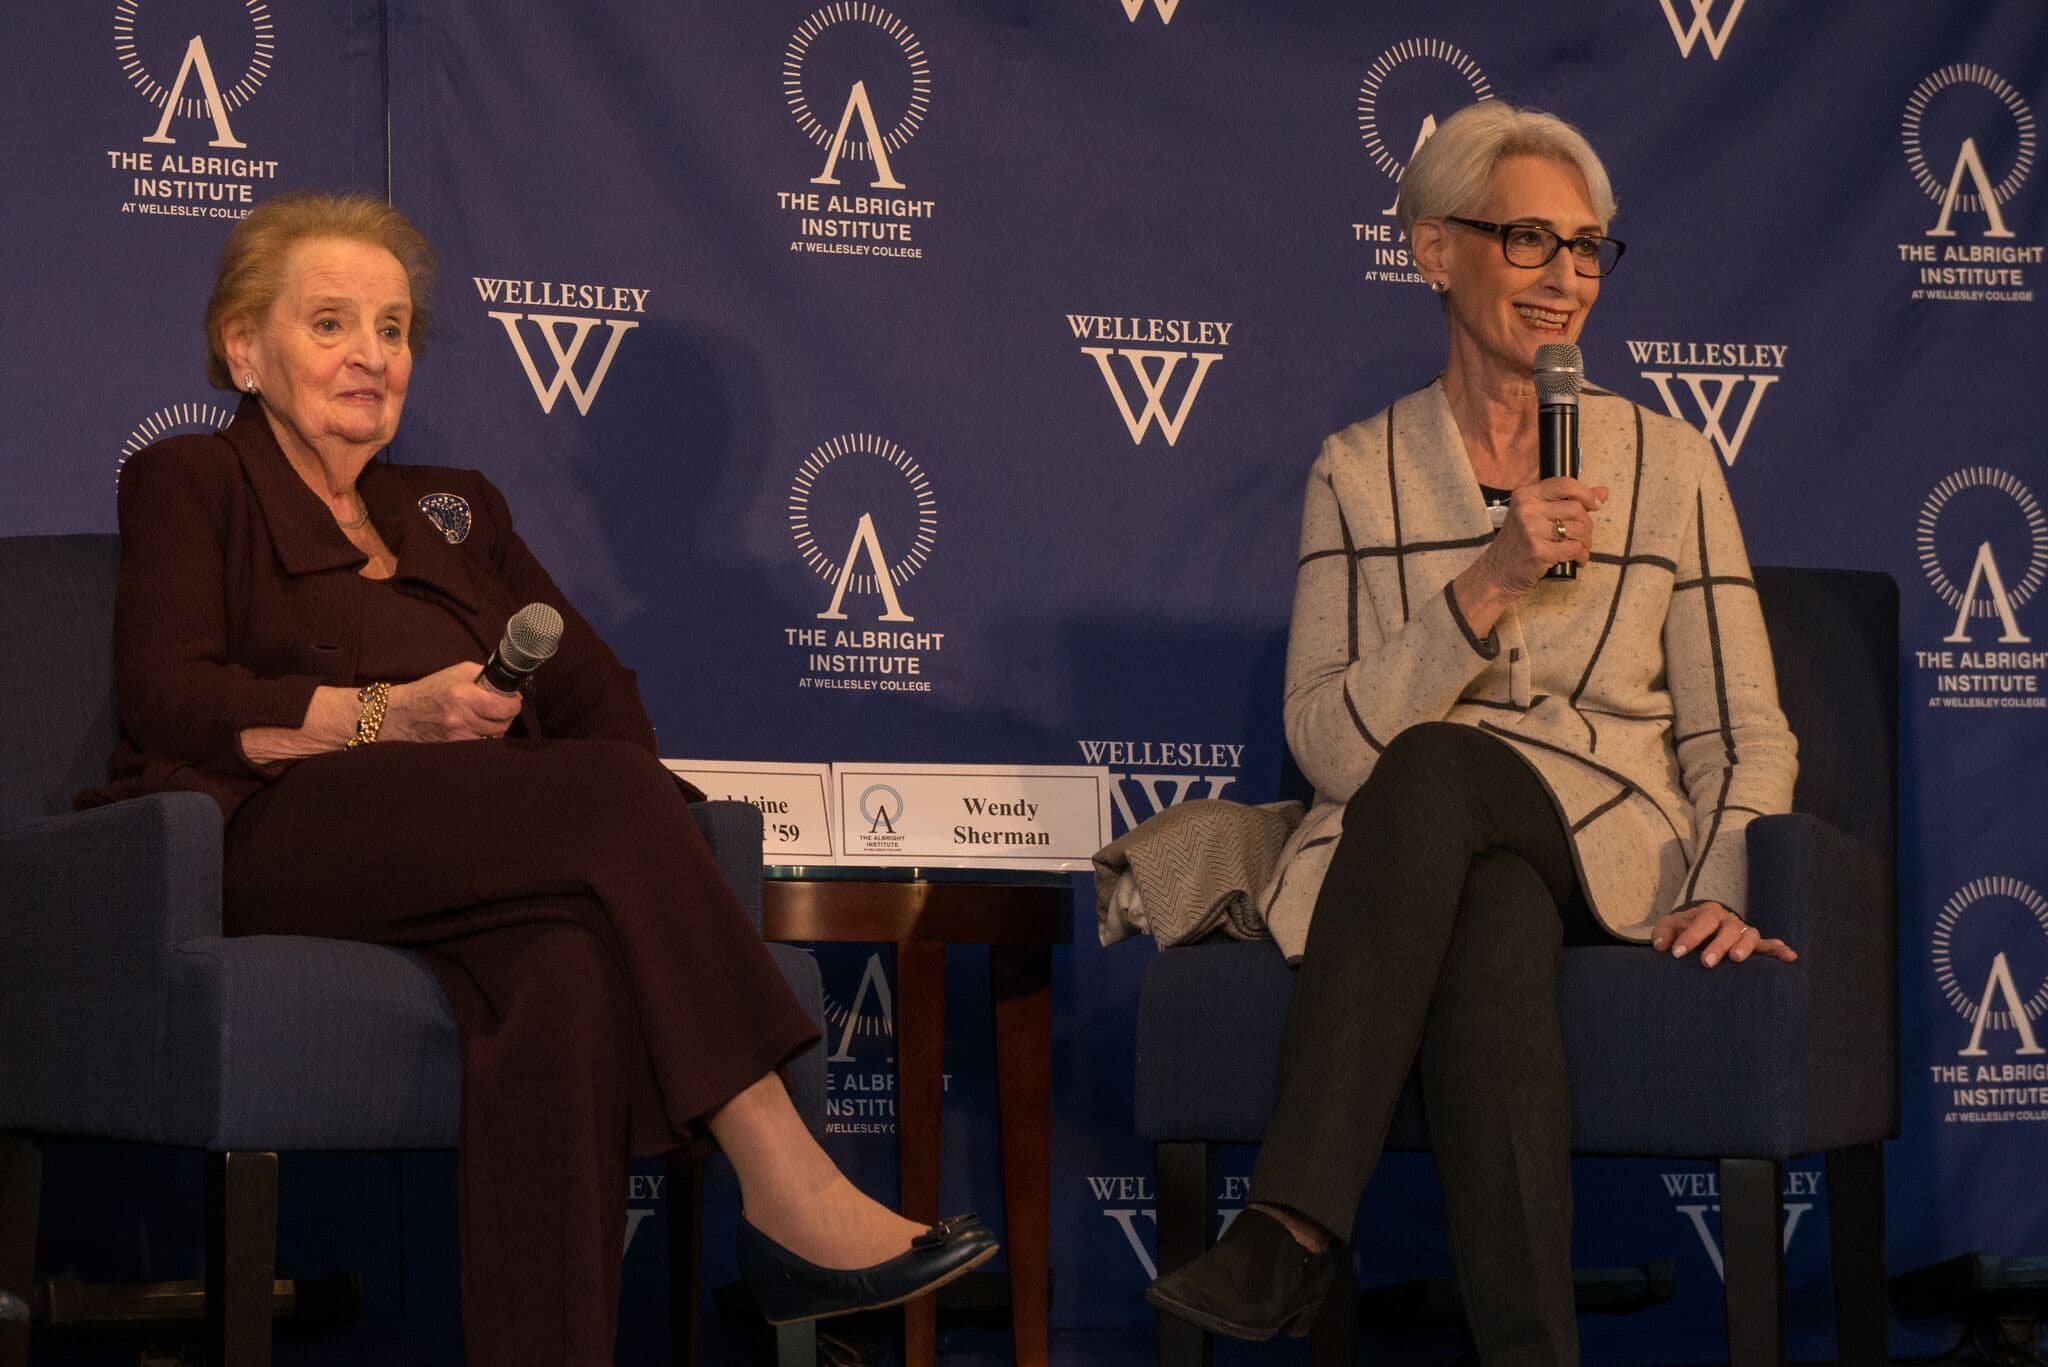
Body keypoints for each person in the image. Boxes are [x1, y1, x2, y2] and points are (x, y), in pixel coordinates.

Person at [83, 190, 994, 1366]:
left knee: (567, 959)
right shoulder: (190, 477)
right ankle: (784, 1181)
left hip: (475, 843)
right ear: (242, 346)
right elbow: (170, 695)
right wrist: (389, 714)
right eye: (329, 323)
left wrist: (544, 799)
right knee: (615, 802)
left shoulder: (449, 510)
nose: (371, 353)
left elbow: (597, 692)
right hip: (275, 832)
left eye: (394, 326)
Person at [1144, 101, 1799, 1365]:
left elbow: (1742, 725)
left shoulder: (1665, 462)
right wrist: (1484, 583)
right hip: (1423, 850)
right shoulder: (1355, 466)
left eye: (1588, 247)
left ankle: (1288, 1216)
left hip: (1609, 840)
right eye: (1526, 240)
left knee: (1442, 762)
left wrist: (1724, 882)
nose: (1564, 278)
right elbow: (1327, 744)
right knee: (1486, 912)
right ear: (1431, 248)